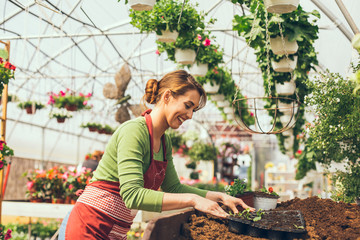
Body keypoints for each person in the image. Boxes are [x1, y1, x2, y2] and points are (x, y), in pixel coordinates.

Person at [61, 70, 254, 239]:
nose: (190, 115)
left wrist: (220, 197)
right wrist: (194, 200)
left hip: (115, 231)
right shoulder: (134, 131)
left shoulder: (163, 140)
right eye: (187, 105)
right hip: (89, 226)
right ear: (167, 96)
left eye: (193, 109)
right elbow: (132, 195)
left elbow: (174, 188)